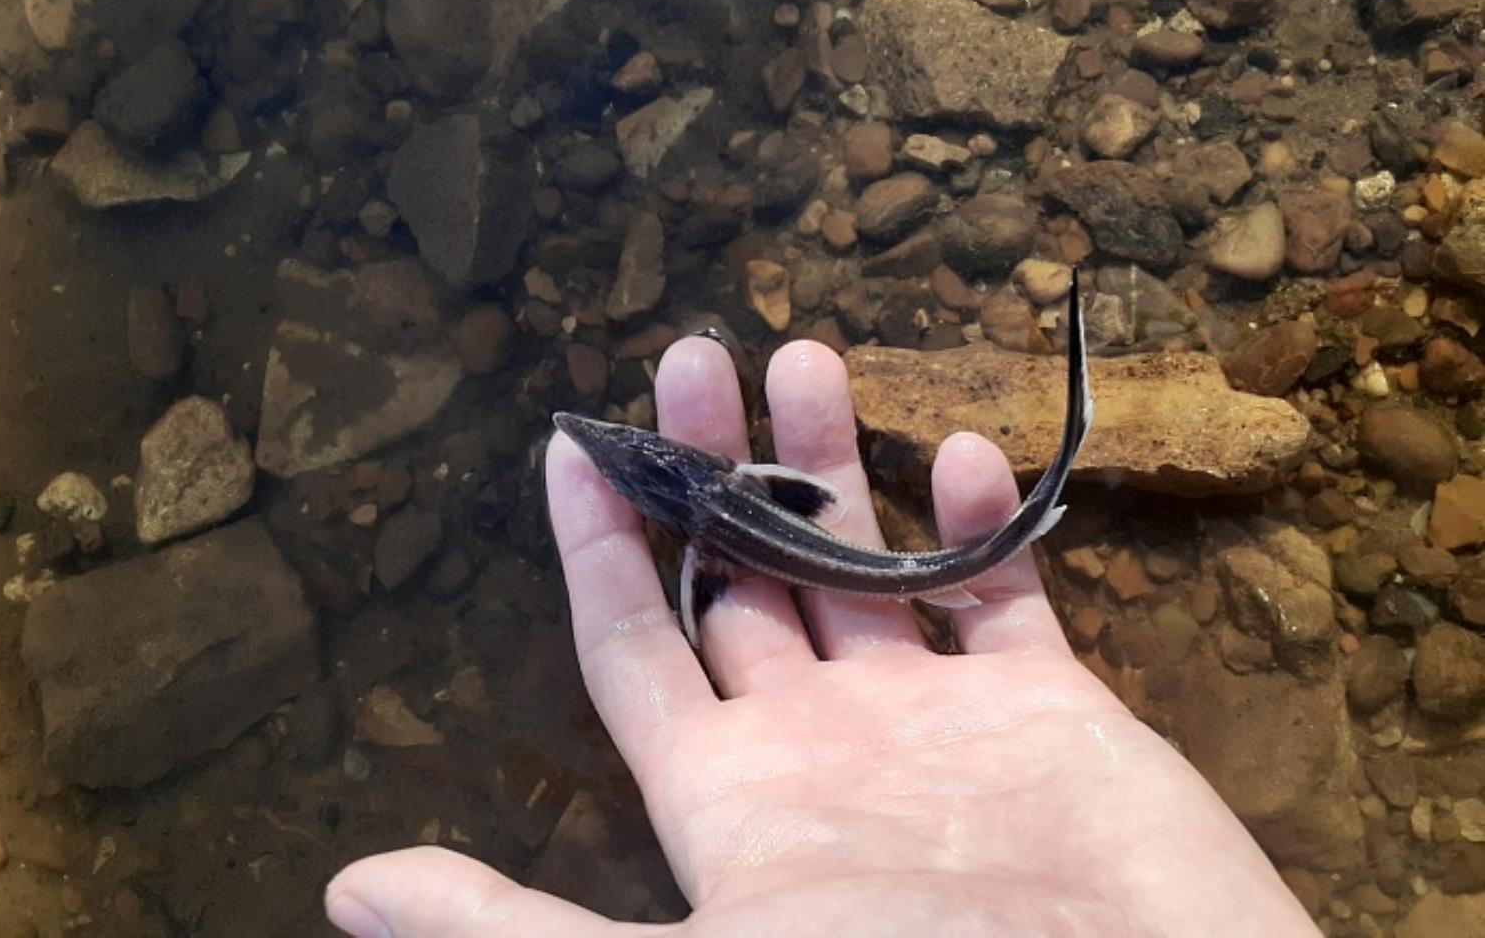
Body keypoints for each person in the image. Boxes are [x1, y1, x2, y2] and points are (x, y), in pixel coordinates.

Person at [325, 336, 1319, 937]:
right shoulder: (715, 501)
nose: (615, 450)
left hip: (823, 549)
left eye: (631, 457)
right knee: (937, 557)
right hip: (804, 534)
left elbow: (720, 564)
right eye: (627, 458)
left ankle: (1047, 483)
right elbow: (769, 508)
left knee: (939, 556)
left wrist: (697, 604)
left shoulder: (707, 529)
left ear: (661, 474)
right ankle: (1042, 487)